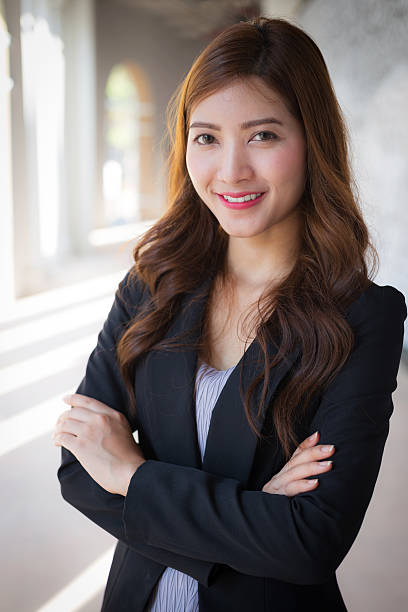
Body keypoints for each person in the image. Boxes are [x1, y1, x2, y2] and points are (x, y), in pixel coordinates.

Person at [53, 16, 406, 612]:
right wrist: (254, 506)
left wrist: (135, 477)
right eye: (207, 137)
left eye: (263, 136)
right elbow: (79, 468)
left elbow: (309, 542)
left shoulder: (364, 320)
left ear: (312, 140)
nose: (231, 171)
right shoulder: (153, 284)